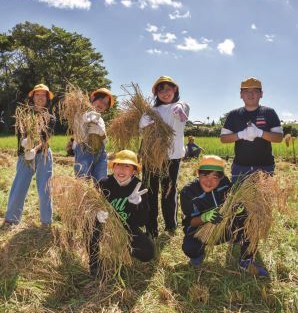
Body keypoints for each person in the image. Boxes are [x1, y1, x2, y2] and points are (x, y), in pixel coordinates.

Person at [180, 155, 268, 276]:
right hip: (201, 233)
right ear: (198, 173)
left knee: (251, 218)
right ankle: (198, 253)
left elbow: (235, 204)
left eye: (215, 177)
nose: (209, 182)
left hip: (225, 230)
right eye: (205, 175)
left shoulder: (225, 184)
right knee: (190, 248)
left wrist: (239, 209)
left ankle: (246, 260)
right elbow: (189, 221)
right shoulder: (188, 192)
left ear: (221, 178)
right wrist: (204, 217)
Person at [89, 150, 155, 277]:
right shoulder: (103, 183)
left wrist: (137, 204)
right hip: (105, 226)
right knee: (91, 229)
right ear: (113, 167)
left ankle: (122, 250)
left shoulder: (139, 187)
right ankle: (94, 264)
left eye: (127, 166)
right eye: (118, 165)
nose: (121, 170)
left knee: (148, 252)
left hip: (127, 227)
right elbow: (89, 208)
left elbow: (143, 221)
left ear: (134, 171)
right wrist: (96, 214)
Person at [140, 76, 189, 238]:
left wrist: (179, 107)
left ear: (175, 89)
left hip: (172, 156)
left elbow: (184, 107)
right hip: (152, 156)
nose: (164, 93)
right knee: (150, 191)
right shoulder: (152, 111)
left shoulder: (181, 106)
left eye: (168, 89)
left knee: (169, 190)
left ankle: (170, 225)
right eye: (160, 90)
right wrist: (144, 121)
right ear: (156, 93)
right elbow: (142, 129)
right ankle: (151, 227)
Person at [4, 84, 55, 226]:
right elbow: (20, 134)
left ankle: (46, 221)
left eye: (43, 95)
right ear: (32, 97)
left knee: (45, 187)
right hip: (25, 155)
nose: (40, 98)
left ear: (47, 98)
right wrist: (25, 146)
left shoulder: (50, 118)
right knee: (19, 184)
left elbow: (45, 139)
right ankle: (11, 219)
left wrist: (35, 149)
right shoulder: (24, 114)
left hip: (43, 154)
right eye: (37, 95)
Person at [220, 77, 283, 184]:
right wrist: (241, 135)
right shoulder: (233, 115)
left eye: (255, 91)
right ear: (241, 95)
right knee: (239, 199)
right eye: (246, 91)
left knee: (264, 199)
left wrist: (260, 133)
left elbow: (279, 137)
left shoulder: (269, 112)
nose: (250, 94)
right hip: (240, 167)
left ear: (261, 94)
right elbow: (223, 138)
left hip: (265, 167)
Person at [74, 88, 114, 183]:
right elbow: (77, 134)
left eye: (105, 104)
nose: (102, 104)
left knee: (102, 181)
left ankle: (99, 197)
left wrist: (101, 134)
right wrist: (84, 120)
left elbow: (104, 141)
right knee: (82, 180)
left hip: (100, 152)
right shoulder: (80, 114)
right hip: (84, 150)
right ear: (93, 99)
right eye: (101, 100)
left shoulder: (101, 120)